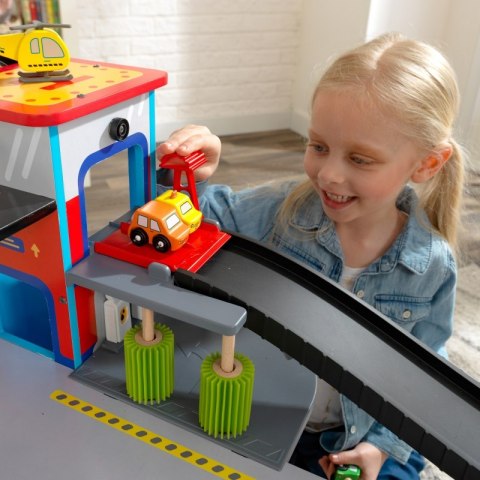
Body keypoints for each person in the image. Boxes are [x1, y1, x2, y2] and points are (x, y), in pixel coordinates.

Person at [157, 32, 465, 480]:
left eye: (360, 159)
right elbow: (184, 221)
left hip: (357, 437)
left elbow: (426, 375)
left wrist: (379, 449)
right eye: (318, 146)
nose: (329, 173)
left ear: (427, 164)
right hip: (260, 415)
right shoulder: (275, 212)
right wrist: (191, 176)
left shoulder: (432, 264)